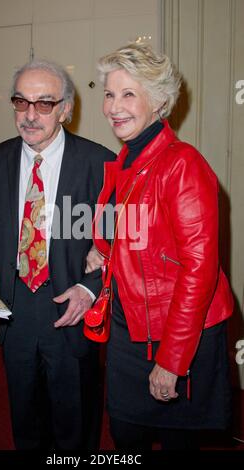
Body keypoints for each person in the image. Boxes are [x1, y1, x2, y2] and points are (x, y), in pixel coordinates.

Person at [85, 41, 234, 450]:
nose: (114, 106)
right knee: (125, 433)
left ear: (160, 101)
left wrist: (171, 360)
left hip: (175, 333)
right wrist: (104, 250)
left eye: (129, 94)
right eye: (110, 93)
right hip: (130, 327)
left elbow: (199, 270)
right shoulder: (127, 161)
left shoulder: (182, 163)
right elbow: (139, 235)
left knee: (175, 442)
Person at [0, 59, 115, 450]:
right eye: (21, 102)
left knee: (74, 420)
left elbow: (114, 243)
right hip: (14, 308)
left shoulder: (99, 164)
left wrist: (88, 287)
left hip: (69, 305)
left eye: (44, 104)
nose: (30, 115)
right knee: (25, 416)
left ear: (66, 109)